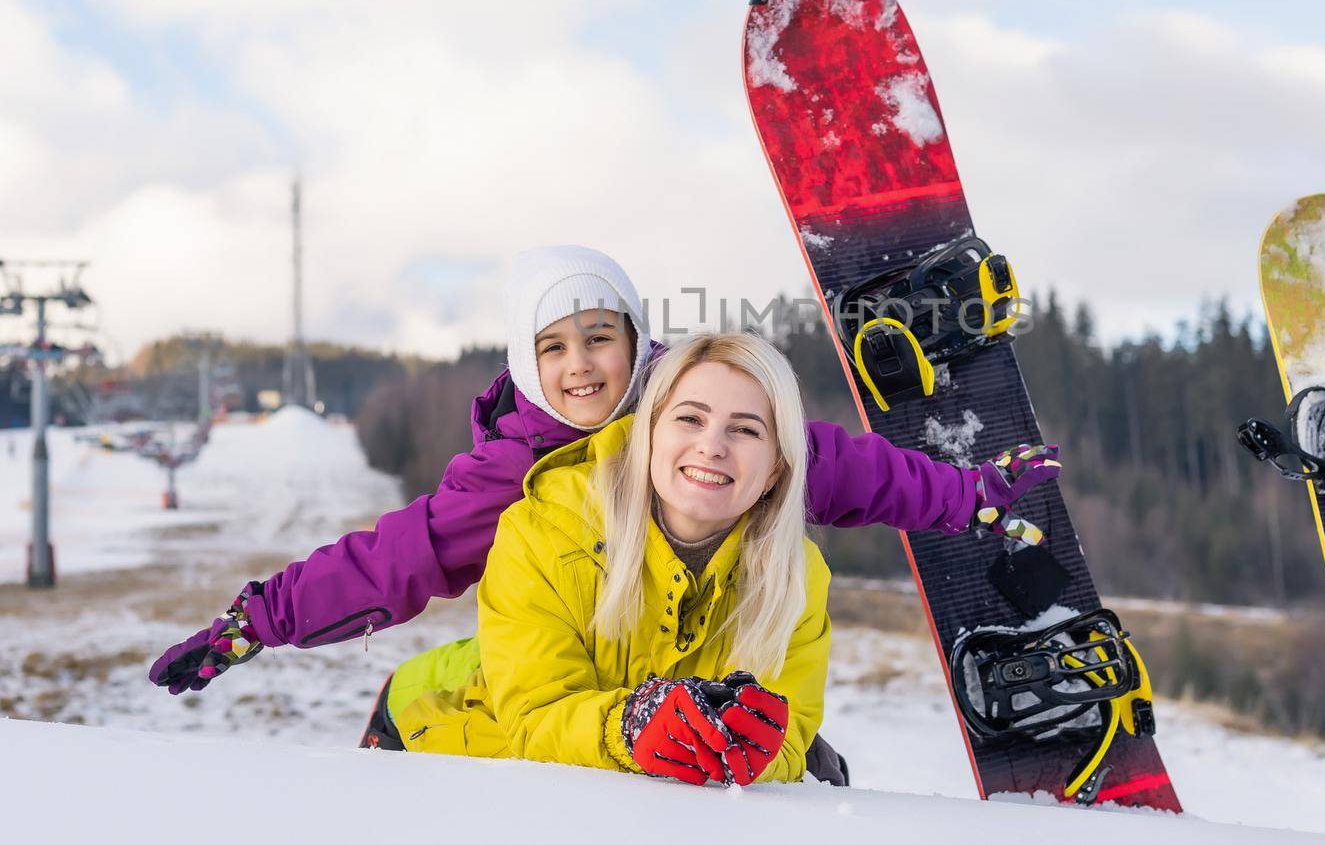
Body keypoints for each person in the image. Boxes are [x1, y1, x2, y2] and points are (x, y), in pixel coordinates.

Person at [149, 248, 1060, 723]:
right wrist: (258, 621)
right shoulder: (512, 471)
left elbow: (832, 461)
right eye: (554, 346)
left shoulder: (685, 404)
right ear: (524, 358)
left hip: (678, 666)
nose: (581, 365)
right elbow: (393, 560)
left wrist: (962, 493)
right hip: (556, 681)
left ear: (635, 338)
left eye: (598, 336)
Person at [390, 332, 829, 786]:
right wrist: (633, 726)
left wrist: (754, 751)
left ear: (776, 465)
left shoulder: (796, 575)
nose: (712, 446)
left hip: (645, 793)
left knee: (826, 769)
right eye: (690, 419)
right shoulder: (543, 529)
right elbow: (534, 715)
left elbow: (790, 736)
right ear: (650, 431)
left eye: (745, 429)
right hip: (463, 741)